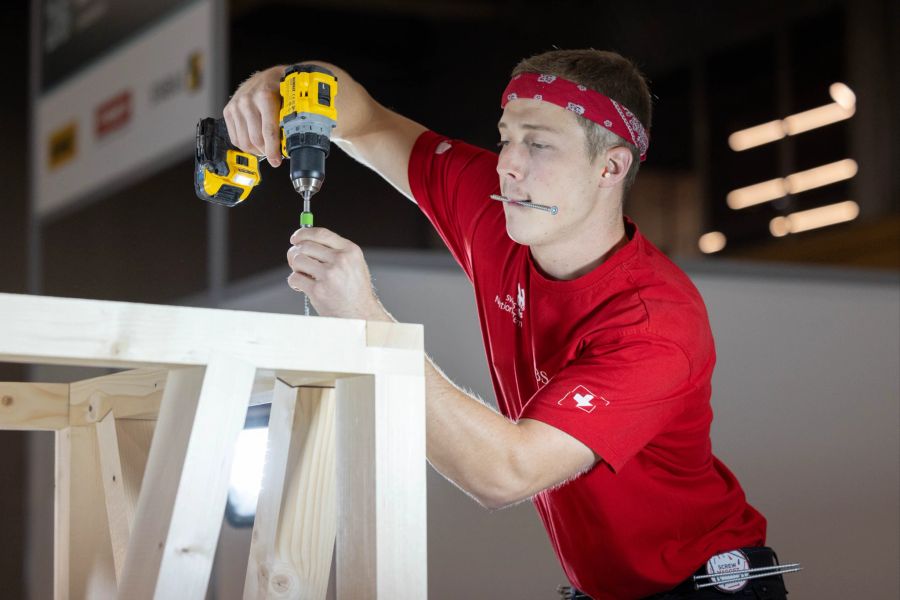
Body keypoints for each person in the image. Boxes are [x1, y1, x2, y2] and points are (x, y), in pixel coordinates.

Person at [224, 49, 791, 599]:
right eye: (505, 139)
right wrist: (280, 85)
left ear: (610, 166)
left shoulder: (655, 324)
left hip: (706, 587)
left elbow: (506, 474)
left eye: (538, 144)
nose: (506, 163)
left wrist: (368, 323)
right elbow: (365, 120)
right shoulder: (498, 207)